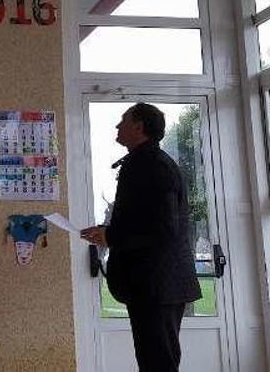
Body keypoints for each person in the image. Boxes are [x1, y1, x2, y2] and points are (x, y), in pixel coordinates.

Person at [81, 103, 201, 372]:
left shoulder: (152, 165)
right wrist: (107, 231)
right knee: (155, 360)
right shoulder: (147, 162)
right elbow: (144, 219)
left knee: (158, 362)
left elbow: (163, 229)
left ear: (139, 126)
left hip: (158, 284)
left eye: (123, 120)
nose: (117, 126)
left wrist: (111, 236)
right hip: (156, 284)